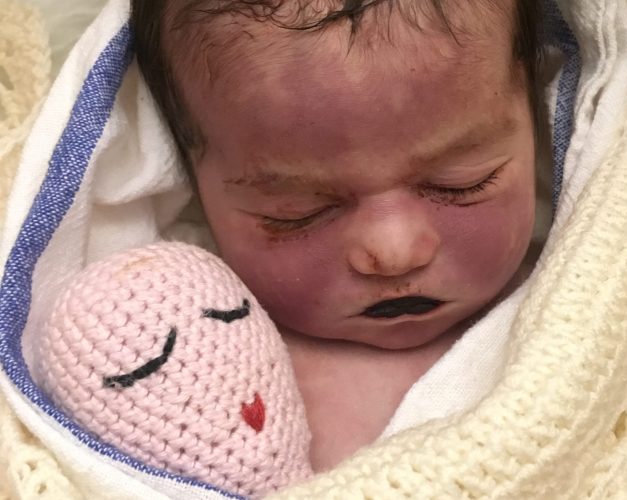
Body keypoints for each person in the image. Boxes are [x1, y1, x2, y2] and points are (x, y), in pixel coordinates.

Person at [131, 0, 543, 472]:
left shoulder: (574, 303)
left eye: (462, 183)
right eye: (297, 213)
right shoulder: (200, 360)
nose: (393, 252)